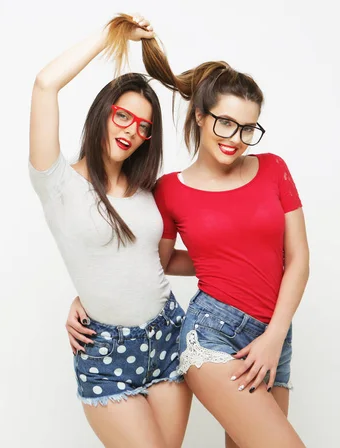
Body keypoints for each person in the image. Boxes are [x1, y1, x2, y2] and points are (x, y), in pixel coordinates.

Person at [67, 13, 309, 448]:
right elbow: (146, 258)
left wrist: (274, 336)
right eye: (225, 123)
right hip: (212, 332)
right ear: (200, 116)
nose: (235, 137)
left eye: (248, 128)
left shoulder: (274, 169)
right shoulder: (171, 191)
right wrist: (86, 295)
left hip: (277, 333)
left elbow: (299, 260)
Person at [29, 13, 193, 448]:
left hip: (168, 334)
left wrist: (85, 293)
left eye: (143, 127)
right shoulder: (58, 182)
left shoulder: (146, 192)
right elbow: (45, 84)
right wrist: (114, 32)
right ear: (104, 111)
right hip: (106, 353)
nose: (132, 131)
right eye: (123, 116)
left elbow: (146, 262)